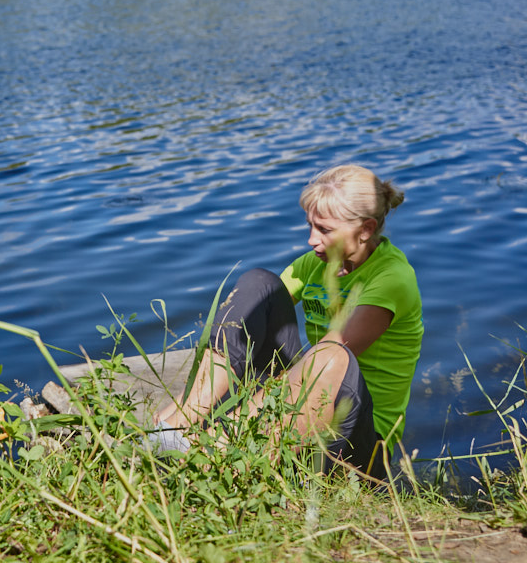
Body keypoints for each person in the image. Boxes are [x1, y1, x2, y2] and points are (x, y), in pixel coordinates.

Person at [153, 164, 423, 480]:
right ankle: (178, 422)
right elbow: (256, 311)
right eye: (310, 226)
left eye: (324, 230)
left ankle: (222, 448)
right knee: (259, 284)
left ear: (365, 229)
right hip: (308, 406)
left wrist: (238, 419)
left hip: (357, 442)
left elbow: (330, 358)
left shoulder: (392, 279)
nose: (311, 240)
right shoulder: (313, 265)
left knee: (330, 354)